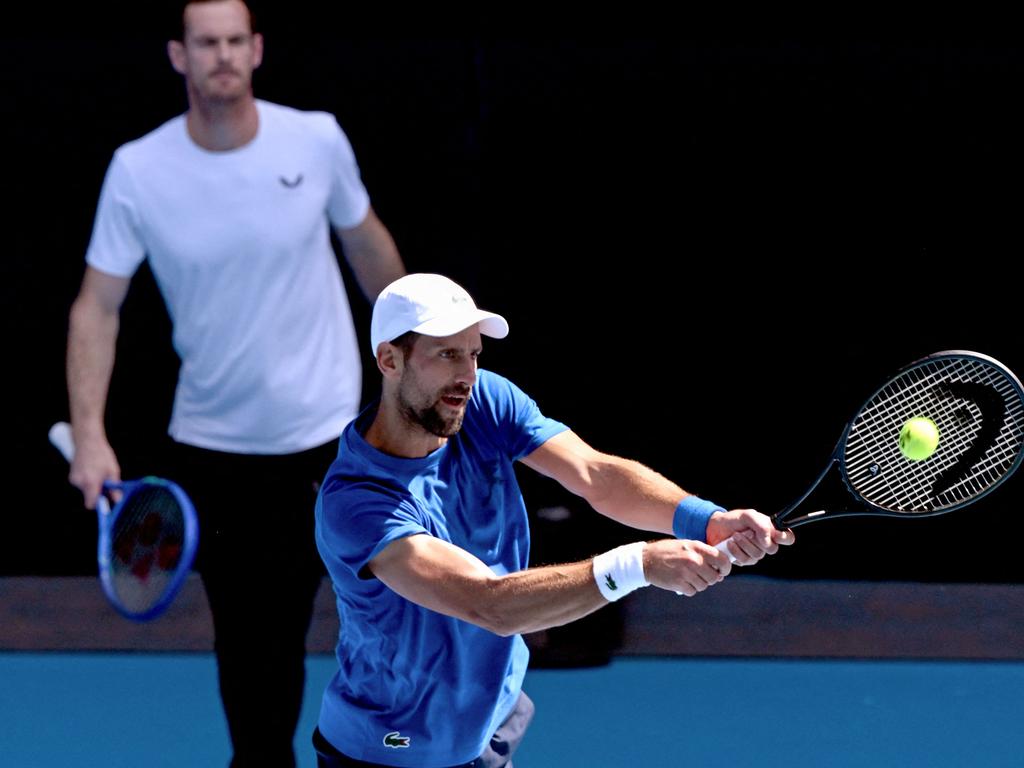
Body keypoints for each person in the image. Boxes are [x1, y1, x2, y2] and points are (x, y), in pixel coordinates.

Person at [63, 1, 406, 765]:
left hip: (336, 443)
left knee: (396, 619)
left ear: (255, 50)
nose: (220, 54)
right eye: (203, 42)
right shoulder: (139, 169)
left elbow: (367, 247)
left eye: (232, 41)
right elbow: (97, 305)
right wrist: (90, 433)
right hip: (221, 457)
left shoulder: (314, 139)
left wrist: (426, 349)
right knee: (258, 648)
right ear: (179, 57)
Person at [313, 273, 795, 767]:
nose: (467, 375)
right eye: (446, 354)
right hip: (392, 749)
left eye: (473, 353)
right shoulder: (358, 502)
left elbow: (595, 473)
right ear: (389, 360)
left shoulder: (481, 403)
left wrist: (706, 520)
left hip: (491, 724)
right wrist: (638, 564)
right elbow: (489, 607)